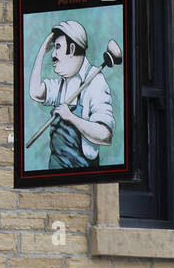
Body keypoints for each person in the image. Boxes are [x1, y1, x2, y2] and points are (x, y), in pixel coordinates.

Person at [28, 19, 114, 170]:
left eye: (57, 47)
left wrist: (71, 117)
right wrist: (42, 50)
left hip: (83, 174)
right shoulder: (61, 84)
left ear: (72, 48)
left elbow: (105, 134)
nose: (53, 54)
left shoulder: (95, 81)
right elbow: (35, 93)